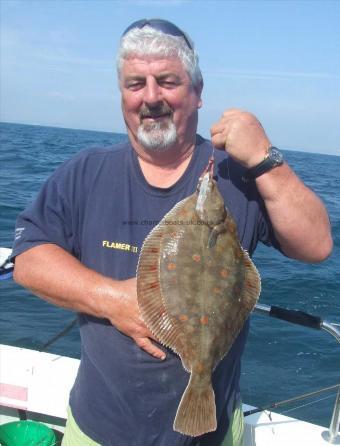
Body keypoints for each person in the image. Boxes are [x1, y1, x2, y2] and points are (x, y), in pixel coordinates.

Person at [12, 18, 332, 446]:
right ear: (121, 95)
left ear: (197, 92)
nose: (150, 97)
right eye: (134, 83)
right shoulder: (85, 172)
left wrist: (265, 158)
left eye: (167, 81)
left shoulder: (238, 177)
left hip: (212, 432)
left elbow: (317, 246)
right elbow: (29, 260)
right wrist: (114, 300)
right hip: (97, 428)